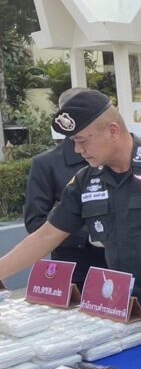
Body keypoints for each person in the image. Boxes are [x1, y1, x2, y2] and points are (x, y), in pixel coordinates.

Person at [0, 90, 141, 301]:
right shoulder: (86, 181)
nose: (78, 150)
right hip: (122, 302)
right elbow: (46, 236)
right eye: (74, 142)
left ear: (112, 131)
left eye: (83, 141)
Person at [23, 87, 107, 286]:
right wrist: (90, 236)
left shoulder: (112, 155)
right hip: (75, 269)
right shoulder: (47, 163)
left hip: (121, 266)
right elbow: (35, 221)